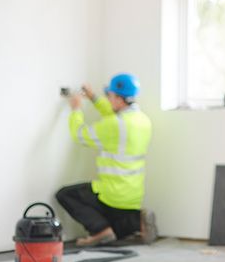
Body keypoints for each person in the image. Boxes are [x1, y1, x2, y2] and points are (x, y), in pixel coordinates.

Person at [56, 74, 157, 246]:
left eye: (109, 96)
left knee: (65, 194)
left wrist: (76, 109)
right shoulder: (142, 120)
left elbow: (80, 135)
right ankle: (136, 222)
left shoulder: (114, 125)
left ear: (119, 98)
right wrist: (93, 98)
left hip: (112, 194)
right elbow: (113, 113)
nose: (107, 100)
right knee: (118, 224)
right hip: (133, 195)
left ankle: (101, 231)